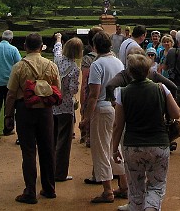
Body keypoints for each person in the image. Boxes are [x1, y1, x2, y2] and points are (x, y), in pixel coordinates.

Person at [113, 52, 180, 211]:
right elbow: (176, 114)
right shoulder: (160, 88)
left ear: (129, 72)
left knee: (135, 185)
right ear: (148, 70)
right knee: (156, 186)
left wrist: (114, 147)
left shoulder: (122, 92)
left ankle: (135, 207)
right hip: (158, 144)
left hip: (133, 145)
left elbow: (118, 125)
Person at [4, 33, 61, 204]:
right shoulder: (50, 65)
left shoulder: (19, 67)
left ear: (25, 46)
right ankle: (49, 188)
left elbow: (11, 94)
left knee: (28, 151)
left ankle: (30, 190)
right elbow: (57, 90)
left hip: (25, 109)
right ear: (42, 46)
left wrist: (8, 115)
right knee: (47, 149)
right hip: (45, 110)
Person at [79, 31, 128, 203]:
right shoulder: (118, 63)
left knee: (101, 150)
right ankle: (123, 185)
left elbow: (94, 94)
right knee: (115, 147)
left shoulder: (97, 64)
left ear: (94, 46)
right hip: (116, 108)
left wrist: (86, 118)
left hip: (102, 108)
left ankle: (107, 190)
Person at [52, 33, 83, 182]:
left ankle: (49, 169)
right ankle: (60, 173)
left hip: (52, 105)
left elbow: (56, 50)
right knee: (64, 142)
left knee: (52, 139)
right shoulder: (74, 68)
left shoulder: (57, 60)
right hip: (65, 106)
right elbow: (73, 90)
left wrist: (58, 39)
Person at [80, 26, 103, 147]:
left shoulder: (88, 59)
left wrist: (83, 102)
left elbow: (85, 83)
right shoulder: (112, 57)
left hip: (92, 94)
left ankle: (88, 136)